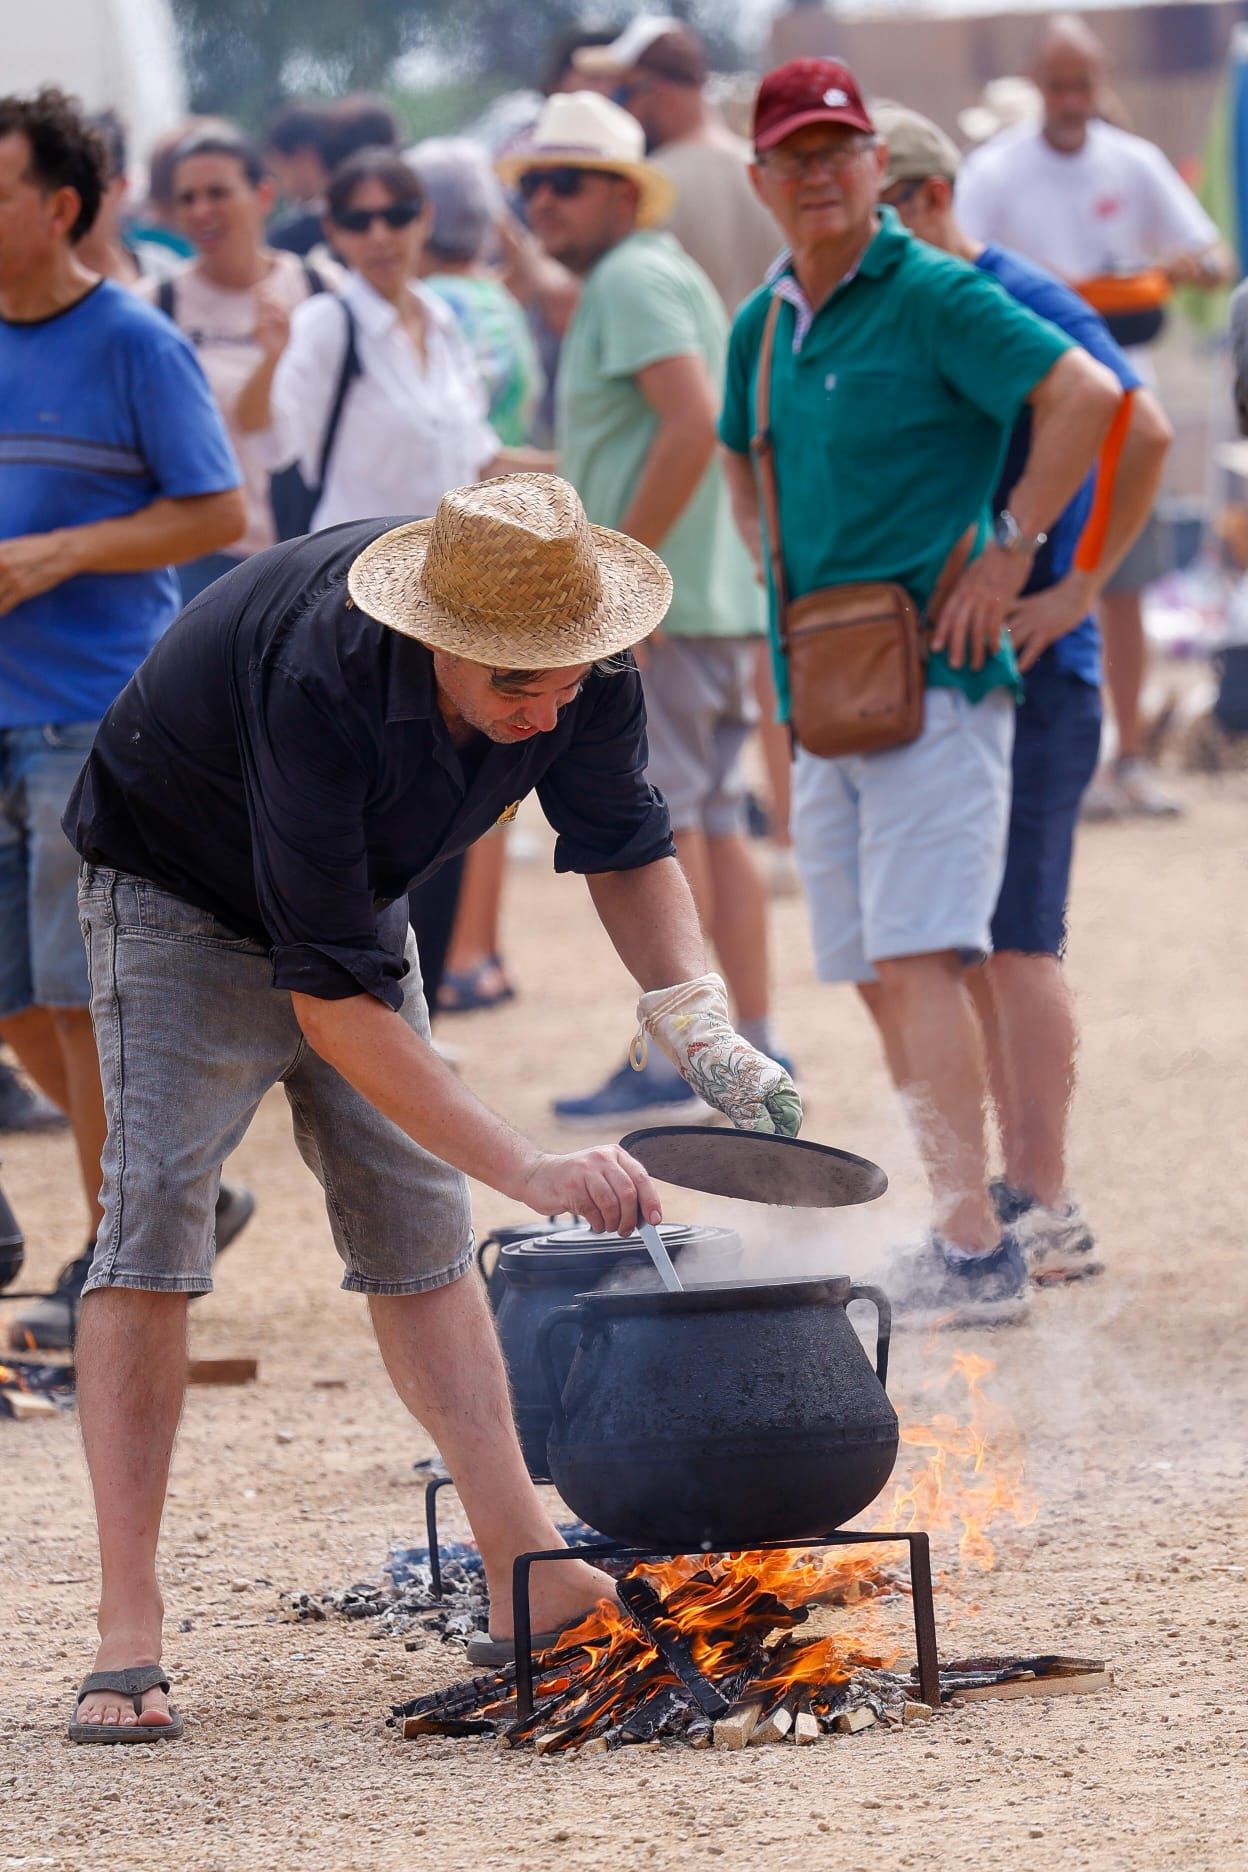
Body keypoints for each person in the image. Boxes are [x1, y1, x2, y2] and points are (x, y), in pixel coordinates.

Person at [62, 472, 801, 1739]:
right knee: (154, 1229)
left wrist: (699, 1018)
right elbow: (334, 1008)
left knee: (416, 1228)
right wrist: (533, 1171)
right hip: (176, 888)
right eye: (518, 688)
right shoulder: (323, 678)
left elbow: (623, 844)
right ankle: (128, 1622)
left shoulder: (574, 656)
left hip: (353, 896)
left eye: (567, 682)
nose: (549, 707)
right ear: (436, 638)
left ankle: (523, 1562)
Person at [719, 59, 1122, 1327]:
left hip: (940, 677)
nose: (825, 173)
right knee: (875, 967)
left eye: (842, 151)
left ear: (871, 170)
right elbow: (743, 461)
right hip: (828, 683)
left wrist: (1009, 548)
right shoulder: (765, 319)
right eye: (799, 156)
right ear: (763, 179)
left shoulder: (936, 290)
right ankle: (966, 1225)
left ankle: (972, 1247)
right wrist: (782, 609)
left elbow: (1092, 398)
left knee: (919, 952)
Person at [873, 101, 1173, 1284]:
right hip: (966, 669)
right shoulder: (917, 304)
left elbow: (1137, 425)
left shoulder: (1006, 291)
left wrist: (1068, 578)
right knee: (963, 946)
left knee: (1018, 940)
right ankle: (1010, 1195)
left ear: (932, 198)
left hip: (1042, 666)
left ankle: (1043, 1201)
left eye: (877, 209)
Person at [0, 89, 251, 1348]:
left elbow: (215, 512)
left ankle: (114, 1251)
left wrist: (59, 554)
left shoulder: (137, 344)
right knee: (13, 997)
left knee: (76, 989)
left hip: (89, 714)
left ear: (59, 208)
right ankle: (181, 1192)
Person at [501, 94, 785, 1122]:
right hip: (700, 594)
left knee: (666, 834)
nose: (543, 202)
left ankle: (687, 1062)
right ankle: (743, 1043)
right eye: (532, 183)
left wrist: (625, 574)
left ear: (625, 192)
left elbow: (693, 423)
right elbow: (665, 434)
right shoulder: (647, 274)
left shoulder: (627, 278)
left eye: (564, 181)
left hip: (661, 606)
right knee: (707, 821)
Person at [955, 14, 1235, 820]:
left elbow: (1214, 259)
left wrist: (1182, 268)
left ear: (1101, 81)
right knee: (1007, 567)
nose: (1074, 99)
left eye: (1085, 84)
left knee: (1121, 582)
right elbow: (955, 260)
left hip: (1123, 397)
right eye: (1059, 84)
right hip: (1030, 406)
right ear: (1038, 86)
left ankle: (1129, 754)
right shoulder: (998, 169)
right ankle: (1019, 759)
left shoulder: (1133, 162)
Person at [407, 135, 547, 1015]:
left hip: (436, 547)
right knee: (500, 754)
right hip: (512, 540)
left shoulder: (420, 306)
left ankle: (440, 953)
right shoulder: (504, 309)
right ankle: (476, 951)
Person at [140, 124, 337, 603]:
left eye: (218, 193)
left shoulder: (320, 288)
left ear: (263, 195)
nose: (201, 211)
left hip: (312, 546)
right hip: (201, 557)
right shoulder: (155, 306)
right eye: (187, 199)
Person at [264, 148, 505, 535]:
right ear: (333, 231)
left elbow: (478, 457)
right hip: (354, 573)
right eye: (358, 222)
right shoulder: (326, 324)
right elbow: (273, 444)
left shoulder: (442, 322)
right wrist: (267, 364)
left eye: (397, 217)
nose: (379, 236)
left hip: (446, 575)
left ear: (425, 218)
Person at [575, 15, 781, 316]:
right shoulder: (773, 172)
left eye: (623, 94)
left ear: (661, 93)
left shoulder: (645, 187)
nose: (621, 109)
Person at [264, 102, 334, 257]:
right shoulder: (365, 219)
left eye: (277, 164)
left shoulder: (286, 239)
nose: (275, 176)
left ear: (303, 156)